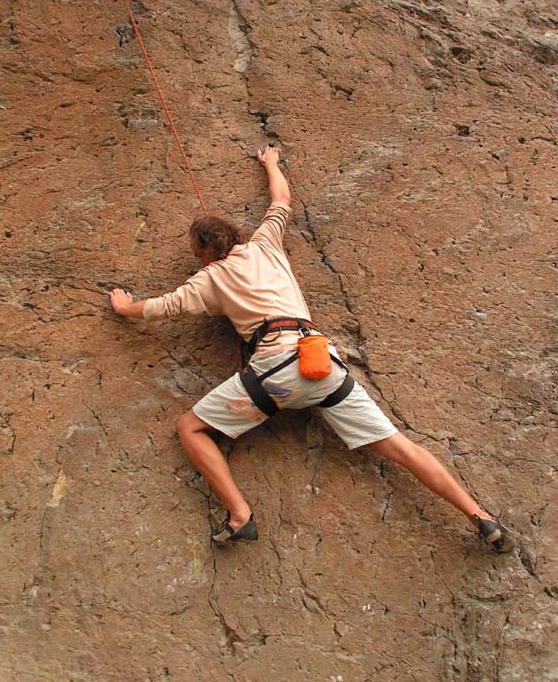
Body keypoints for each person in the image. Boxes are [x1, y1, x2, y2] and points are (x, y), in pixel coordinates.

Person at [109, 145, 515, 553]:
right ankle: (479, 516)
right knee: (399, 447)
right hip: (320, 363)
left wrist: (126, 307)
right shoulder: (266, 243)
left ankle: (240, 516)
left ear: (201, 252)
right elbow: (280, 201)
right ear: (236, 237)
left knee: (190, 428)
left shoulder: (209, 278)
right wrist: (271, 163)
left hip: (276, 374)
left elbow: (165, 307)